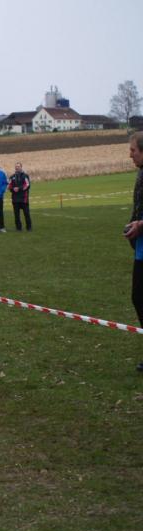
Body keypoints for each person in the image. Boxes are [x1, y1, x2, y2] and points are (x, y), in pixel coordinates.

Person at [122, 132, 143, 371]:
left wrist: (141, 224)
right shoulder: (141, 173)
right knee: (138, 298)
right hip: (141, 247)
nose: (130, 155)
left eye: (133, 150)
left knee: (140, 297)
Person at [9, 162, 32, 231]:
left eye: (18, 166)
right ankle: (18, 228)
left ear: (21, 167)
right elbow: (9, 186)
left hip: (24, 198)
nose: (17, 167)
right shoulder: (12, 177)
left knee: (26, 214)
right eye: (16, 166)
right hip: (15, 199)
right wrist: (13, 189)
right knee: (16, 215)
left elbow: (27, 185)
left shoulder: (25, 176)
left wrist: (19, 188)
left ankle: (29, 227)